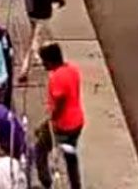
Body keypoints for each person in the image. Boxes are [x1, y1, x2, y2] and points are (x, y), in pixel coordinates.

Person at [34, 43, 84, 189]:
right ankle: (76, 185)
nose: (43, 65)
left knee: (40, 149)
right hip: (77, 122)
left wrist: (51, 119)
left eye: (44, 61)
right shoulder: (72, 70)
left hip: (63, 125)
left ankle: (46, 181)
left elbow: (59, 103)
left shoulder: (57, 78)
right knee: (70, 157)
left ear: (50, 60)